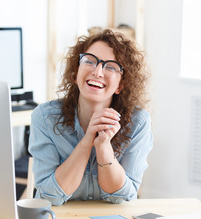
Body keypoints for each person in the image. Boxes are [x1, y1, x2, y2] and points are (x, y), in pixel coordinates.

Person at [28, 29, 153, 206]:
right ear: (75, 73)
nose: (98, 71)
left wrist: (103, 147)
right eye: (90, 61)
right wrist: (87, 141)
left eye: (110, 66)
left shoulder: (138, 122)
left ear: (121, 85)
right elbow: (49, 197)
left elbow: (123, 198)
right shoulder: (45, 117)